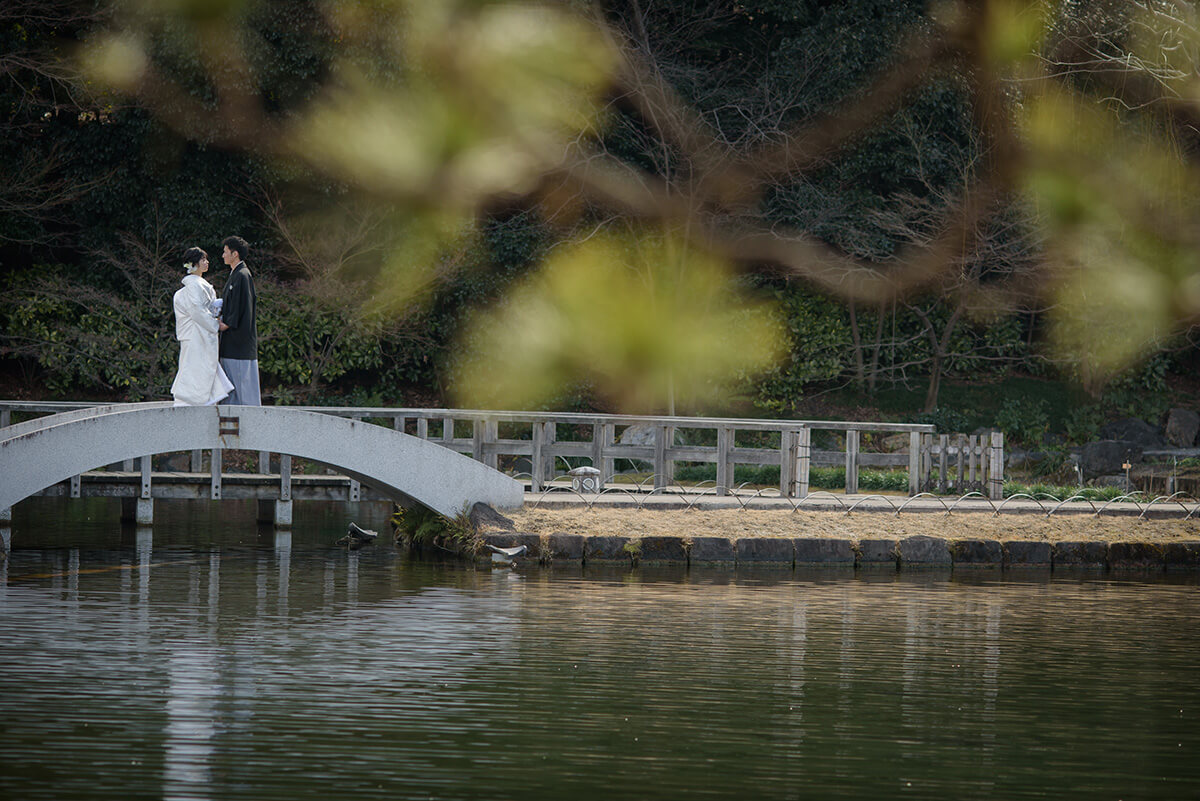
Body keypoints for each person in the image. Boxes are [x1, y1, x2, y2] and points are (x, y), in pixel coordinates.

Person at [170, 247, 234, 406]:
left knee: (197, 368)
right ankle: (193, 401)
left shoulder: (196, 285)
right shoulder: (194, 285)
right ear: (194, 264)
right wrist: (215, 324)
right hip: (197, 335)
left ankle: (199, 400)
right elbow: (197, 311)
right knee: (197, 368)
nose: (207, 262)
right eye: (203, 260)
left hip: (198, 334)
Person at [217, 235, 262, 406]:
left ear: (235, 254)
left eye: (225, 252)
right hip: (233, 344)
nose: (223, 255)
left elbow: (239, 306)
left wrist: (225, 323)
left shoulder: (242, 275)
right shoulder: (237, 274)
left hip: (238, 344)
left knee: (242, 393)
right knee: (234, 391)